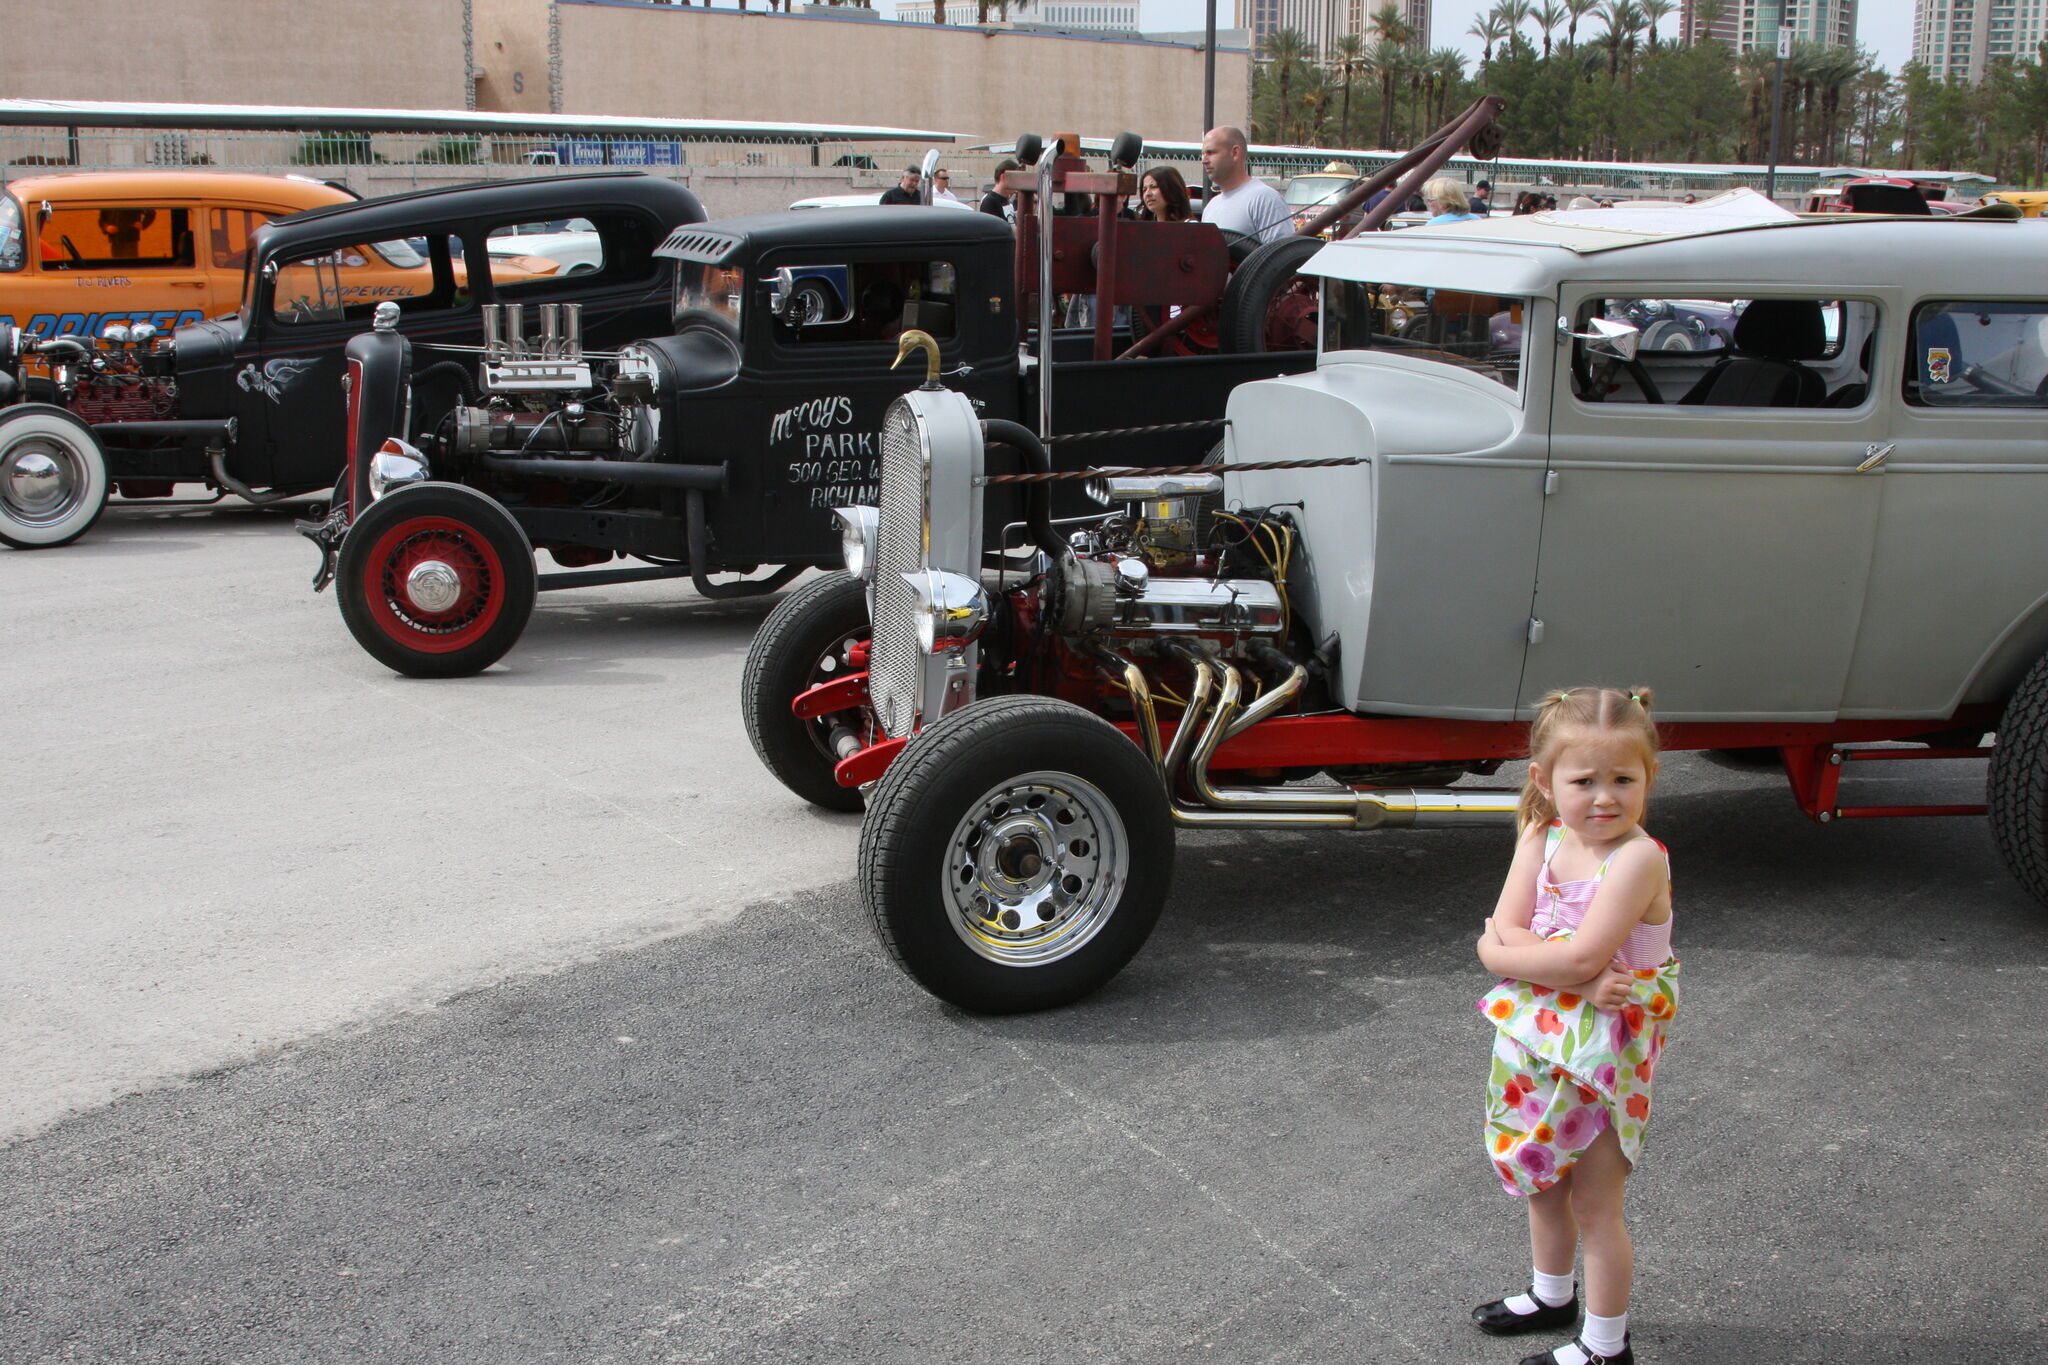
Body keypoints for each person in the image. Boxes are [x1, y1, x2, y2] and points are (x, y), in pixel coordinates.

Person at [1472, 687, 1679, 1365]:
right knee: (1542, 1176)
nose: (1604, 797)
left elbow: (1564, 949)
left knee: (1594, 1203)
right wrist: (1573, 976)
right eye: (1583, 780)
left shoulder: (1639, 858)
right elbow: (1494, 940)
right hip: (1537, 1039)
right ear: (1544, 779)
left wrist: (1525, 956)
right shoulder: (1542, 834)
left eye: (1624, 779)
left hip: (1601, 1056)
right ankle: (1552, 1292)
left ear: (1650, 776)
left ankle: (1603, 1345)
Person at [1198, 125, 1290, 244]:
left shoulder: (1265, 199)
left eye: (1211, 152)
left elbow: (1280, 257)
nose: (1204, 160)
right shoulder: (1211, 207)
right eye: (1203, 153)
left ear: (1235, 152)